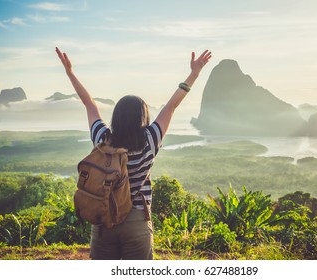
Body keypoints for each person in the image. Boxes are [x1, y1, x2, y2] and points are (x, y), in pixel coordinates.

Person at [55, 47, 212, 259]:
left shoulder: (103, 139)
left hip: (103, 221)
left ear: (116, 117)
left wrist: (70, 73)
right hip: (137, 221)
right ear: (143, 116)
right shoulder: (150, 139)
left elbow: (89, 104)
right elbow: (172, 105)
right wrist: (194, 74)